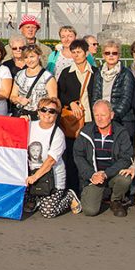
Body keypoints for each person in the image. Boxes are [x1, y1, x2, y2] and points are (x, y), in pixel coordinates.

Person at [74, 100, 134, 217]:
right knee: (90, 211)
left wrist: (106, 174)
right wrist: (92, 175)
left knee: (125, 178)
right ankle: (99, 194)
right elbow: (78, 156)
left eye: (103, 115)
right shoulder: (85, 132)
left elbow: (126, 158)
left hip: (112, 174)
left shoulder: (121, 132)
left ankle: (116, 201)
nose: (99, 119)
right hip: (94, 176)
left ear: (111, 115)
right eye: (96, 115)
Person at [24, 97, 81, 217]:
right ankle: (37, 198)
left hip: (51, 178)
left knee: (48, 212)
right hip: (31, 174)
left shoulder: (58, 134)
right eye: (43, 110)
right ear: (38, 112)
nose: (47, 113)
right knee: (22, 203)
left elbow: (50, 161)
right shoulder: (29, 126)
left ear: (56, 114)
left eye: (52, 111)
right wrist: (20, 121)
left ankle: (69, 196)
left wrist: (34, 177)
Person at [56, 39, 98, 192]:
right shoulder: (66, 73)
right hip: (72, 121)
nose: (76, 55)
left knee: (89, 155)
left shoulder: (95, 72)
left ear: (86, 53)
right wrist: (71, 103)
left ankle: (88, 188)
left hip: (90, 120)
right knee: (72, 155)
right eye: (73, 52)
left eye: (79, 52)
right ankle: (72, 189)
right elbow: (59, 94)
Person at [92, 39, 135, 135]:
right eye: (107, 53)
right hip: (102, 119)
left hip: (122, 120)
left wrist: (112, 116)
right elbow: (95, 96)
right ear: (103, 55)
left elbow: (126, 99)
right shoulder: (98, 73)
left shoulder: (126, 74)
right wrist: (99, 115)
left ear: (119, 55)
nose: (111, 56)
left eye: (114, 53)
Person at [10, 45, 57, 120]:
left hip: (39, 118)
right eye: (26, 57)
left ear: (39, 56)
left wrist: (33, 116)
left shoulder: (48, 77)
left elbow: (53, 102)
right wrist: (18, 99)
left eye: (32, 57)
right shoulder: (19, 74)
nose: (29, 60)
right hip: (20, 115)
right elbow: (12, 97)